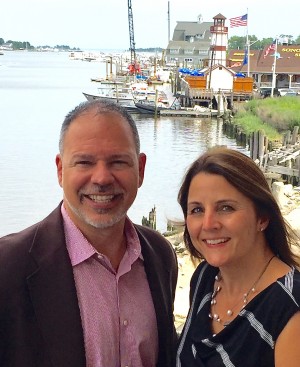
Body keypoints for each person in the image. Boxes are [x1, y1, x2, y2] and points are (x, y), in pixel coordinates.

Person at [0, 99, 178, 367]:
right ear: (60, 170)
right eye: (84, 162)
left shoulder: (160, 255)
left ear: (140, 169)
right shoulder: (8, 267)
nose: (102, 178)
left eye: (118, 162)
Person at [176, 147, 300, 367]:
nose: (208, 224)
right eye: (197, 210)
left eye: (225, 208)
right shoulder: (205, 278)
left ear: (262, 217)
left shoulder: (288, 308)